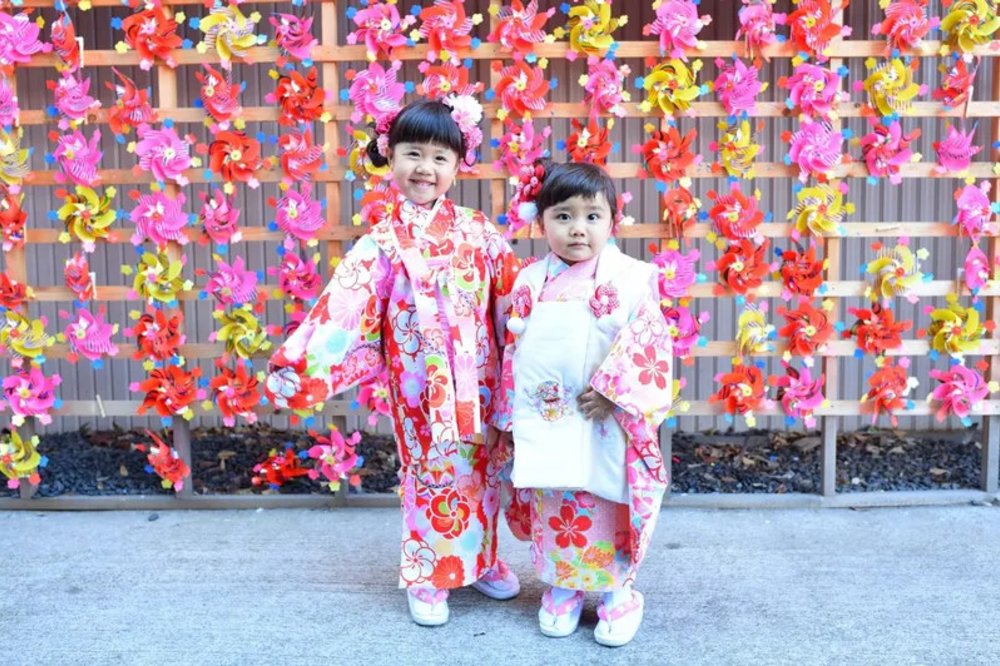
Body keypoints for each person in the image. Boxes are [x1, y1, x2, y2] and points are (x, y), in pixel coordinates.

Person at [264, 97, 522, 626]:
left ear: (459, 164)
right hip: (417, 387)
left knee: (484, 467)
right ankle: (428, 571)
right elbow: (343, 308)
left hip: (480, 378)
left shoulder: (480, 233)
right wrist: (300, 361)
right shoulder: (381, 244)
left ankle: (482, 559)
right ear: (390, 155)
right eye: (413, 154)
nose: (425, 168)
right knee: (429, 470)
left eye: (440, 157)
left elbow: (512, 304)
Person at [497, 161, 674, 647]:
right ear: (541, 222)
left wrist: (615, 390)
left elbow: (651, 342)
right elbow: (513, 349)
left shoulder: (632, 278)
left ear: (612, 221)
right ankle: (562, 586)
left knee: (606, 500)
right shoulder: (530, 281)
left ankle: (618, 593)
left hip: (605, 420)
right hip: (550, 416)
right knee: (557, 497)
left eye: (592, 216)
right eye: (564, 216)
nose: (579, 228)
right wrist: (510, 416)